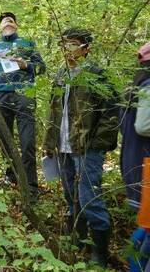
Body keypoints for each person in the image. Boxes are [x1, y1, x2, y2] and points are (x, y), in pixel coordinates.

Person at [43, 28, 118, 267]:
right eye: (64, 44)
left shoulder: (97, 75)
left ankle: (100, 252)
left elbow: (111, 113)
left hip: (87, 149)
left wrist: (97, 144)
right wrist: (49, 143)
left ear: (86, 48)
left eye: (73, 44)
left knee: (89, 197)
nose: (67, 49)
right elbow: (54, 112)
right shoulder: (60, 75)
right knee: (70, 196)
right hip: (63, 147)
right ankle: (78, 241)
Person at [0, 11, 45, 197]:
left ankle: (31, 186)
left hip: (24, 95)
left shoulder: (27, 44)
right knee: (5, 140)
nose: (7, 23)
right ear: (0, 27)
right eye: (4, 21)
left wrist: (26, 65)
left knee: (27, 142)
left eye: (11, 20)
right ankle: (10, 178)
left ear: (16, 25)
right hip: (0, 96)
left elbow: (41, 68)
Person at [121, 42, 150, 271]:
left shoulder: (134, 85)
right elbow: (143, 125)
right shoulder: (147, 85)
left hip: (134, 160)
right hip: (145, 163)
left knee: (145, 225)